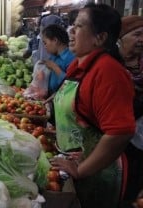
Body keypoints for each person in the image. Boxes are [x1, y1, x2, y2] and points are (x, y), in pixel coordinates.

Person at [49, 3, 136, 208]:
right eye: (72, 25)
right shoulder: (79, 65)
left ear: (100, 37)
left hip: (98, 174)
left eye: (79, 26)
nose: (70, 31)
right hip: (74, 162)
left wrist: (82, 169)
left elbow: (120, 132)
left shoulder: (108, 72)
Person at [118, 15, 143, 208]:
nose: (141, 39)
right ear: (121, 37)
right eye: (137, 34)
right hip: (116, 136)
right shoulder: (113, 64)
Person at [40, 24, 75, 96]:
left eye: (45, 43)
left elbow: (71, 85)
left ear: (55, 40)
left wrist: (55, 68)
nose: (45, 46)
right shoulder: (53, 57)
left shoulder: (71, 59)